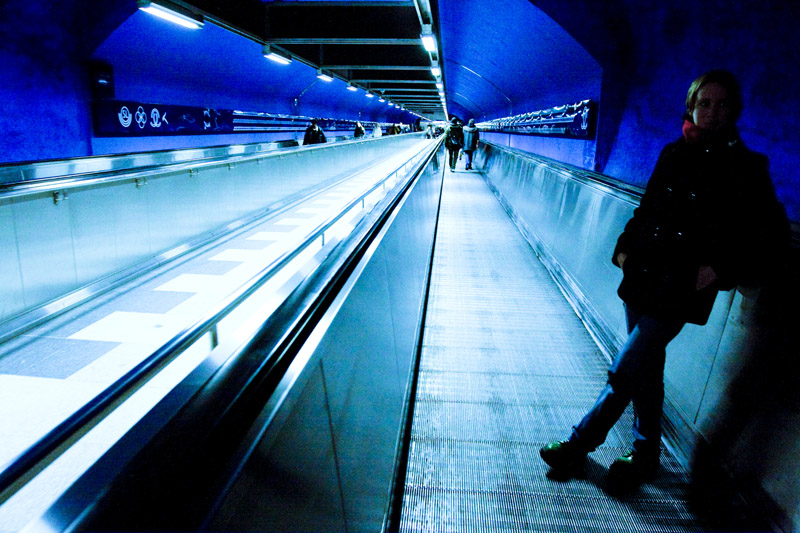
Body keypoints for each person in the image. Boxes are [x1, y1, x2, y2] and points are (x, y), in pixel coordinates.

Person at [539, 70, 790, 490]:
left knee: (626, 368)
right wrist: (623, 250)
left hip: (682, 287)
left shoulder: (747, 168)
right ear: (691, 107)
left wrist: (720, 267)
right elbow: (647, 210)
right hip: (643, 275)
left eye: (722, 104)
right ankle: (645, 454)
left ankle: (579, 444)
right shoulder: (673, 154)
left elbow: (770, 234)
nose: (712, 112)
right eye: (704, 103)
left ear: (735, 111)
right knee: (646, 368)